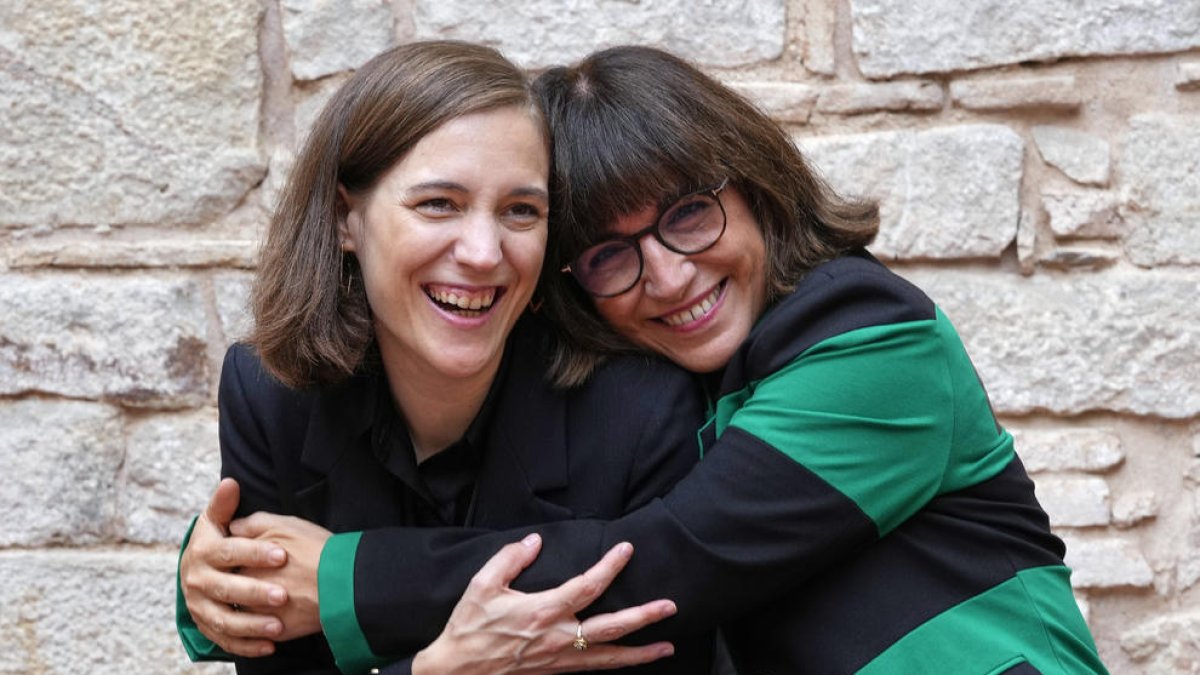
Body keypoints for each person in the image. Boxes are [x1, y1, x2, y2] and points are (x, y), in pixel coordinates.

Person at [187, 45, 1109, 674]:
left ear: (755, 189)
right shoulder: (656, 378)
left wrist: (338, 580)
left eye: (688, 214)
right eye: (610, 253)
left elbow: (669, 559)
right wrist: (213, 588)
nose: (667, 276)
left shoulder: (871, 337)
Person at [175, 40, 725, 674]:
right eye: (439, 203)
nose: (485, 252)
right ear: (342, 219)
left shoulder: (641, 410)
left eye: (522, 211)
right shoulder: (270, 392)